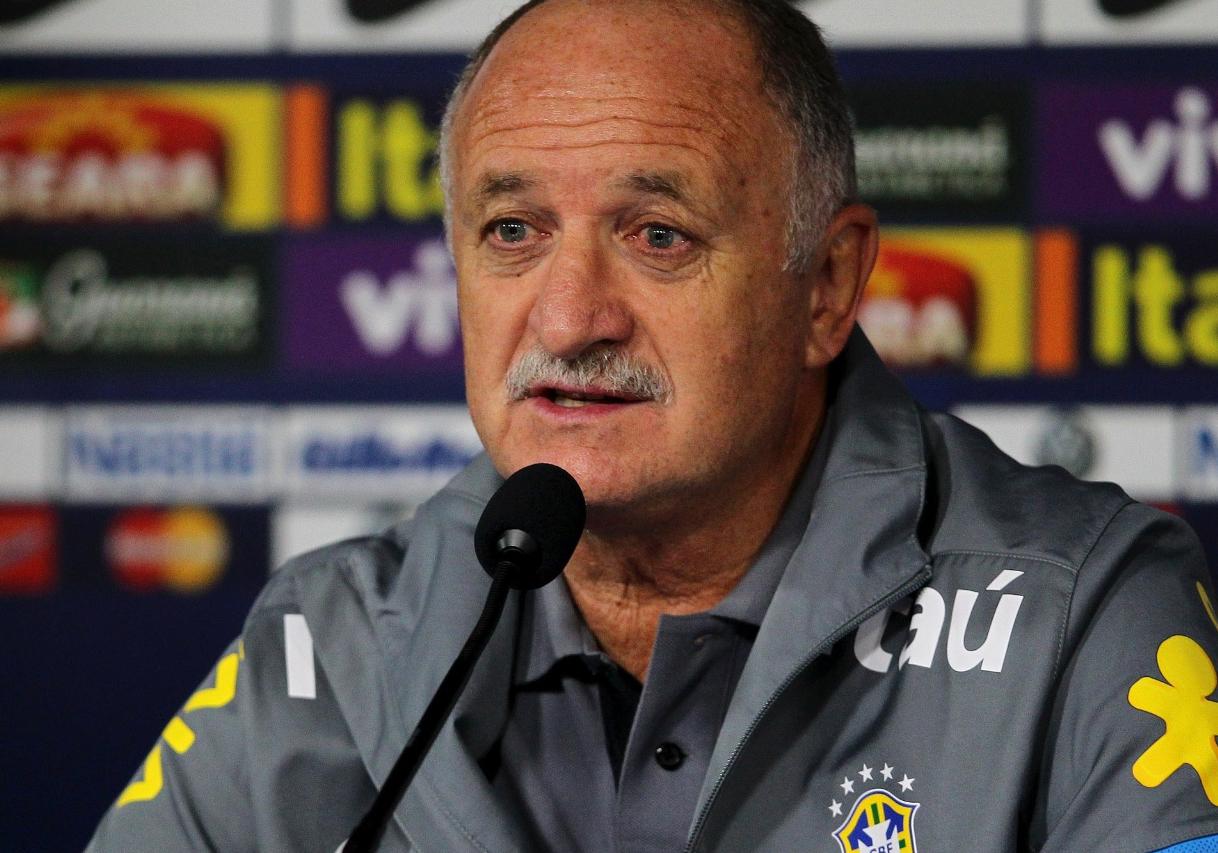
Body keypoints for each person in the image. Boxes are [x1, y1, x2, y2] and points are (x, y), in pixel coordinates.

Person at [89, 1, 1218, 850]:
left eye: (658, 235)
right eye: (514, 230)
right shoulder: (330, 642)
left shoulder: (1085, 617)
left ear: (827, 286)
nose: (570, 317)